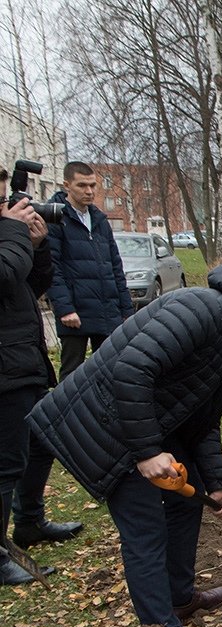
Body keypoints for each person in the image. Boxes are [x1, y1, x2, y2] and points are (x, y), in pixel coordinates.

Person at [27, 267, 222, 627]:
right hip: (108, 423)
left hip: (147, 423)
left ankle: (179, 599)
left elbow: (203, 417)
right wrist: (147, 452)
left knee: (185, 503)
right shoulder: (200, 310)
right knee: (146, 529)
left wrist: (216, 483)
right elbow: (131, 370)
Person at [1, 197, 76, 584]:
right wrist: (13, 233)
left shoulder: (8, 239)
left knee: (42, 441)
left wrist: (38, 245)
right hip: (5, 369)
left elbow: (31, 285)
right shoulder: (5, 238)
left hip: (23, 360)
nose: (9, 207)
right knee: (6, 463)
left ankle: (29, 522)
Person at [46, 161, 134, 379]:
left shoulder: (100, 220)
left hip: (107, 312)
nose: (89, 191)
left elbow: (115, 267)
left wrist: (126, 311)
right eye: (82, 185)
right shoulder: (56, 218)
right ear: (67, 185)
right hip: (75, 313)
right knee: (72, 375)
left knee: (111, 370)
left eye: (93, 185)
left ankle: (104, 413)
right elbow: (51, 267)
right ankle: (65, 413)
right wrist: (65, 308)